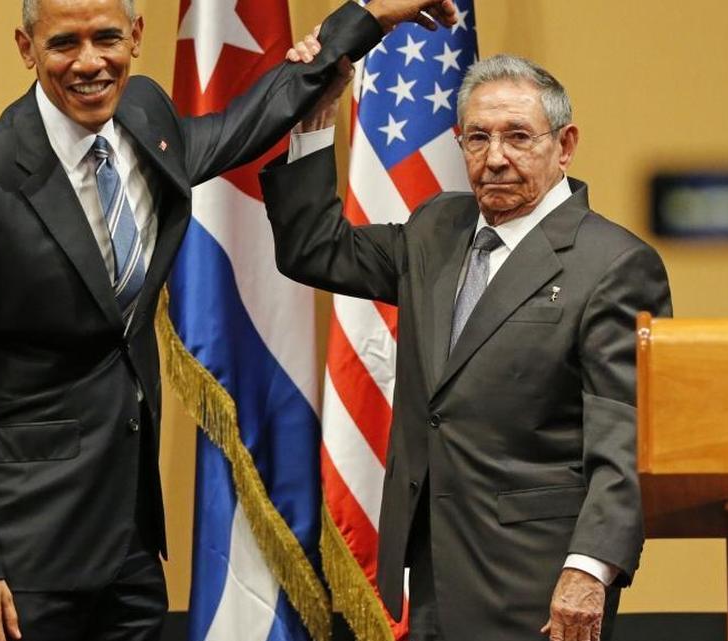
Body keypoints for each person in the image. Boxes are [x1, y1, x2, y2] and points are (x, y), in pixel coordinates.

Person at [0, 1, 457, 640]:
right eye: (63, 44)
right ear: (26, 49)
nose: (89, 62)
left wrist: (364, 21)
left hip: (129, 546)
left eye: (107, 37)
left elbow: (242, 124)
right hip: (23, 554)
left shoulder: (144, 119)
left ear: (136, 37)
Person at [259, 52, 672, 641]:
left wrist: (589, 572)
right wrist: (314, 120)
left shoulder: (616, 265)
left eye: (518, 136)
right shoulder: (437, 228)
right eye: (478, 137)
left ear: (565, 144)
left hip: (539, 585)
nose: (496, 158)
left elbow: (625, 440)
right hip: (428, 575)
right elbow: (313, 248)